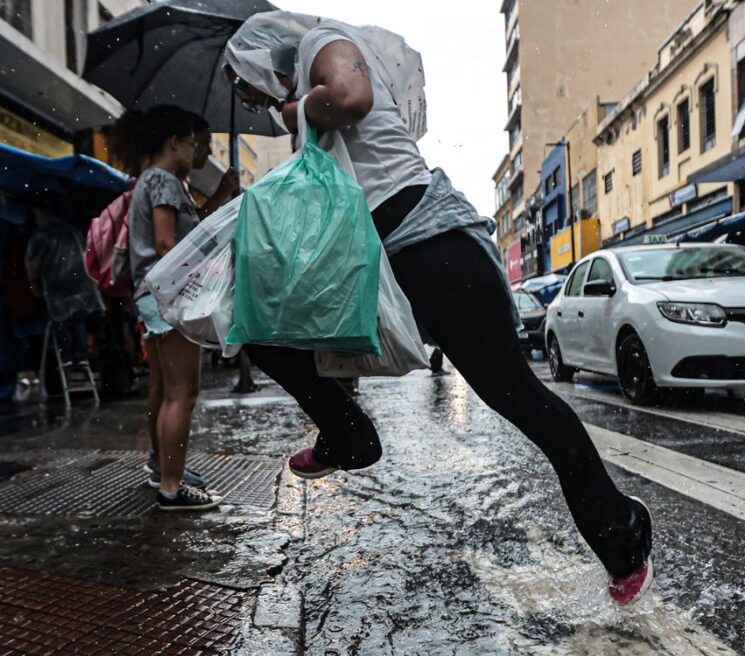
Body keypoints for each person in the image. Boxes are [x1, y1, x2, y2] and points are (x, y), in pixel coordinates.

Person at [224, 12, 652, 605]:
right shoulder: (304, 91)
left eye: (248, 89)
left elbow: (350, 96)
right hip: (387, 262)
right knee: (257, 324)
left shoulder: (322, 45)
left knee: (518, 399)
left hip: (435, 250)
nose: (254, 103)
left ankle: (621, 533)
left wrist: (296, 114)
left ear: (258, 61)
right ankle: (347, 434)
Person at [112, 105, 226, 511]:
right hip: (170, 298)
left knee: (163, 390)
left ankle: (164, 469)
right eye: (192, 143)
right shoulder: (163, 181)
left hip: (153, 298)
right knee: (183, 393)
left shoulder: (150, 180)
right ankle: (172, 488)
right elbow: (165, 244)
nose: (196, 151)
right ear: (174, 141)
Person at [26, 204, 105, 371]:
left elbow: (33, 263)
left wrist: (35, 285)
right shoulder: (73, 232)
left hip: (58, 287)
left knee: (61, 321)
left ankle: (67, 357)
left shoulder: (43, 235)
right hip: (82, 286)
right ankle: (81, 357)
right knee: (78, 321)